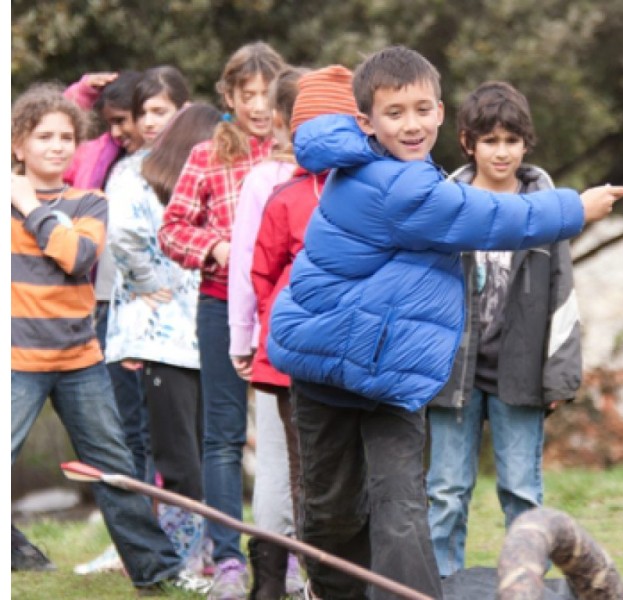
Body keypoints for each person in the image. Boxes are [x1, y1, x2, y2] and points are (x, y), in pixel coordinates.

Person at [267, 45, 623, 600]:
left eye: (422, 110)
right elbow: (489, 217)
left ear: (441, 111)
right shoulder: (397, 185)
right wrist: (575, 209)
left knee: (398, 504)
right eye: (395, 114)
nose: (412, 125)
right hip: (328, 371)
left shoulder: (384, 165)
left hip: (385, 372)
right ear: (366, 121)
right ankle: (337, 591)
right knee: (333, 508)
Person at [10, 82, 208, 594]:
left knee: (115, 469)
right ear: (18, 146)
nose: (56, 146)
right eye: (43, 137)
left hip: (79, 361)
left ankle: (157, 572)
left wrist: (28, 203)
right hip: (16, 360)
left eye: (65, 137)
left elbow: (76, 256)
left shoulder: (90, 202)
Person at [426, 81, 583, 578]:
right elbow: (423, 294)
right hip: (454, 371)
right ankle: (440, 585)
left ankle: (527, 584)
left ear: (525, 144)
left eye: (511, 141)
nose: (501, 152)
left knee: (522, 491)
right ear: (468, 142)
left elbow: (563, 296)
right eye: (490, 141)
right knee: (446, 491)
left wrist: (559, 375)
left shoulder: (547, 206)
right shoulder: (446, 201)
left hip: (520, 370)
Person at [158, 41, 286, 600]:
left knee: (291, 438)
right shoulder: (209, 153)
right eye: (247, 93)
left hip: (283, 309)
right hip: (218, 306)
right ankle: (229, 561)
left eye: (267, 93)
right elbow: (172, 229)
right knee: (222, 436)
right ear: (229, 96)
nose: (258, 105)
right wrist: (214, 247)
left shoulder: (293, 152)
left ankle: (291, 554)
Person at [246, 64, 360, 599]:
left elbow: (262, 277)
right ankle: (290, 583)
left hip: (314, 354)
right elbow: (263, 273)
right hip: (301, 359)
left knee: (303, 472)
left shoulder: (289, 194)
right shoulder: (288, 195)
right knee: (310, 475)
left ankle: (301, 582)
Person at [104, 68, 213, 574]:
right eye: (143, 111)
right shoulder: (131, 171)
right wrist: (148, 281)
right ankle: (178, 555)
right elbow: (122, 235)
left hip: (198, 330)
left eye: (160, 111)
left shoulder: (202, 167)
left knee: (197, 450)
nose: (150, 122)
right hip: (155, 335)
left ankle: (199, 550)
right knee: (168, 453)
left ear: (183, 112)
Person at [228, 65, 305, 599]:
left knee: (278, 461)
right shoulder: (353, 178)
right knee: (316, 461)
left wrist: (240, 338)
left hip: (276, 340)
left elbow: (245, 269)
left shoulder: (265, 180)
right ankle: (296, 576)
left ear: (277, 121)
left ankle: (270, 585)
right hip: (314, 344)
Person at [65, 70, 155, 495]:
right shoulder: (96, 155)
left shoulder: (162, 159)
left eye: (125, 120)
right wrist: (81, 93)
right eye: (111, 122)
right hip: (99, 302)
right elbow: (53, 127)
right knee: (122, 422)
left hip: (147, 304)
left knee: (151, 422)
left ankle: (162, 517)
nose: (118, 131)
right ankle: (134, 516)